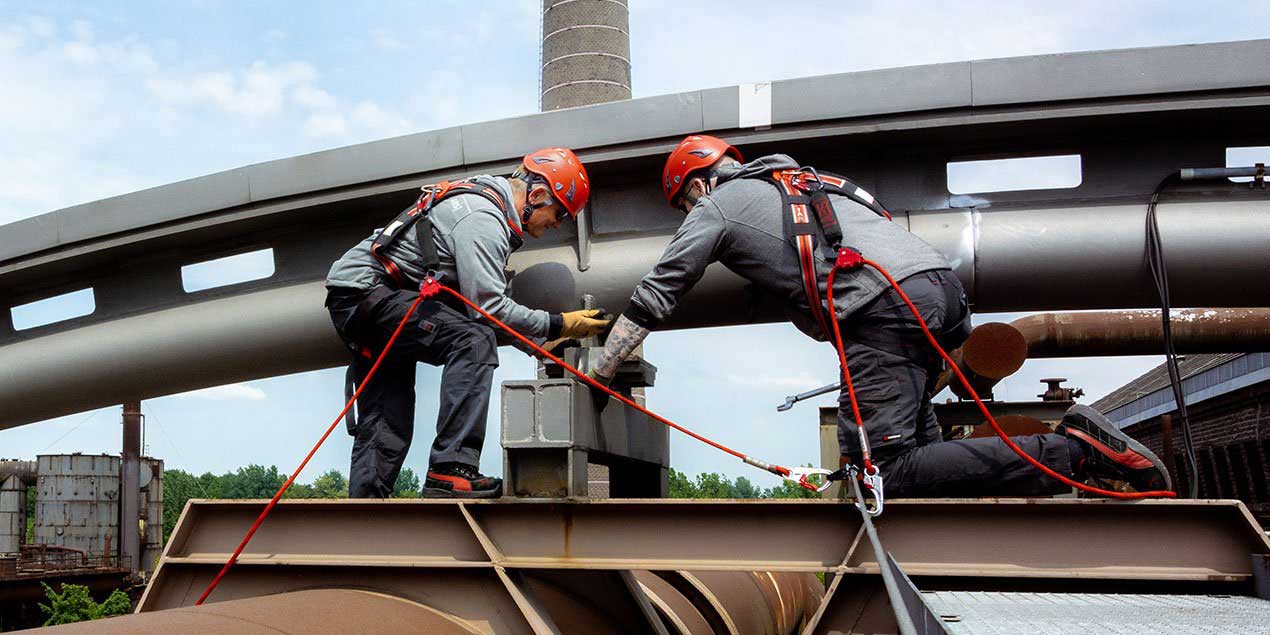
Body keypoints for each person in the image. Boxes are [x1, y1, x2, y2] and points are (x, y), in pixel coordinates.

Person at [586, 135, 1170, 497]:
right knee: (920, 462)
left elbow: (660, 289)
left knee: (883, 469)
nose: (689, 212)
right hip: (940, 292)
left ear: (697, 182)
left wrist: (604, 369)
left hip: (886, 311)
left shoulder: (718, 203)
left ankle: (1076, 451)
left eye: (684, 202)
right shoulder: (810, 185)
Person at [325, 148, 611, 499]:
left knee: (388, 418)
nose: (557, 224)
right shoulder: (484, 220)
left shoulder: (482, 205)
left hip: (359, 299)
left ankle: (365, 514)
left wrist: (536, 344)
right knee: (474, 341)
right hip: (370, 294)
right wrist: (557, 324)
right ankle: (450, 468)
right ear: (537, 195)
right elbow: (488, 310)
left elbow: (475, 304)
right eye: (560, 214)